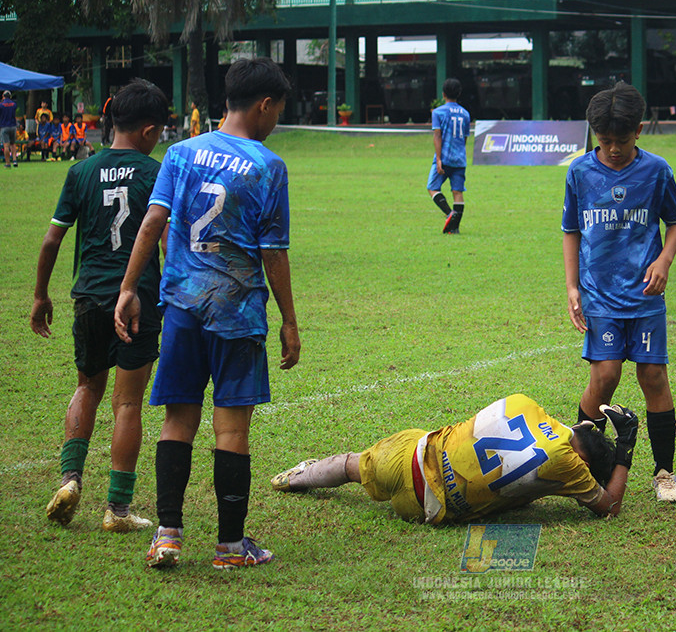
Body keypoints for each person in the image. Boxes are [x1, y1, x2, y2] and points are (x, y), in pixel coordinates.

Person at [114, 57, 301, 570]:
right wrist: (288, 319)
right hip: (238, 313)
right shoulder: (268, 166)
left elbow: (153, 223)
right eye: (278, 110)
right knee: (232, 430)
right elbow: (274, 252)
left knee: (177, 422)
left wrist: (129, 288)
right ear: (264, 105)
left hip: (181, 307)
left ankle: (168, 534)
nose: (277, 119)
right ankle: (230, 547)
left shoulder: (181, 152)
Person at [31, 79, 169, 532]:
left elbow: (53, 238)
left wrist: (40, 294)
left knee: (87, 387)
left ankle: (71, 480)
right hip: (136, 300)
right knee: (127, 403)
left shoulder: (80, 172)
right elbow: (165, 239)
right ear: (149, 131)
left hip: (88, 295)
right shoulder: (154, 173)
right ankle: (118, 510)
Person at [561, 81, 676, 503]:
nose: (613, 148)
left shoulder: (657, 171)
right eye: (605, 140)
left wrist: (665, 260)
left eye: (622, 139)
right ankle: (581, 464)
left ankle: (664, 472)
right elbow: (571, 231)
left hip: (645, 294)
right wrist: (572, 286)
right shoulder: (579, 172)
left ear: (639, 131)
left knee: (653, 376)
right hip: (600, 294)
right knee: (606, 376)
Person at [271, 395, 638, 523]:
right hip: (423, 508)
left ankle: (300, 475)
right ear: (585, 464)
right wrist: (625, 446)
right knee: (520, 496)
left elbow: (553, 437)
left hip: (407, 454)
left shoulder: (524, 402)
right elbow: (610, 506)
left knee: (353, 464)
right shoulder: (569, 467)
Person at [426, 78, 471, 234]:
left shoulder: (438, 112)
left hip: (444, 157)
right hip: (459, 159)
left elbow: (437, 136)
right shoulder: (465, 114)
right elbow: (464, 138)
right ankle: (455, 227)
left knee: (432, 187)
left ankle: (449, 214)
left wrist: (438, 159)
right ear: (458, 94)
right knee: (457, 192)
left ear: (443, 94)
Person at [1, 90, 17, 168]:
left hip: (4, 126)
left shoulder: (1, 105)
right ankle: (14, 160)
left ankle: (8, 163)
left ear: (3, 96)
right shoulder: (14, 104)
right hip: (13, 126)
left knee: (6, 146)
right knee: (13, 144)